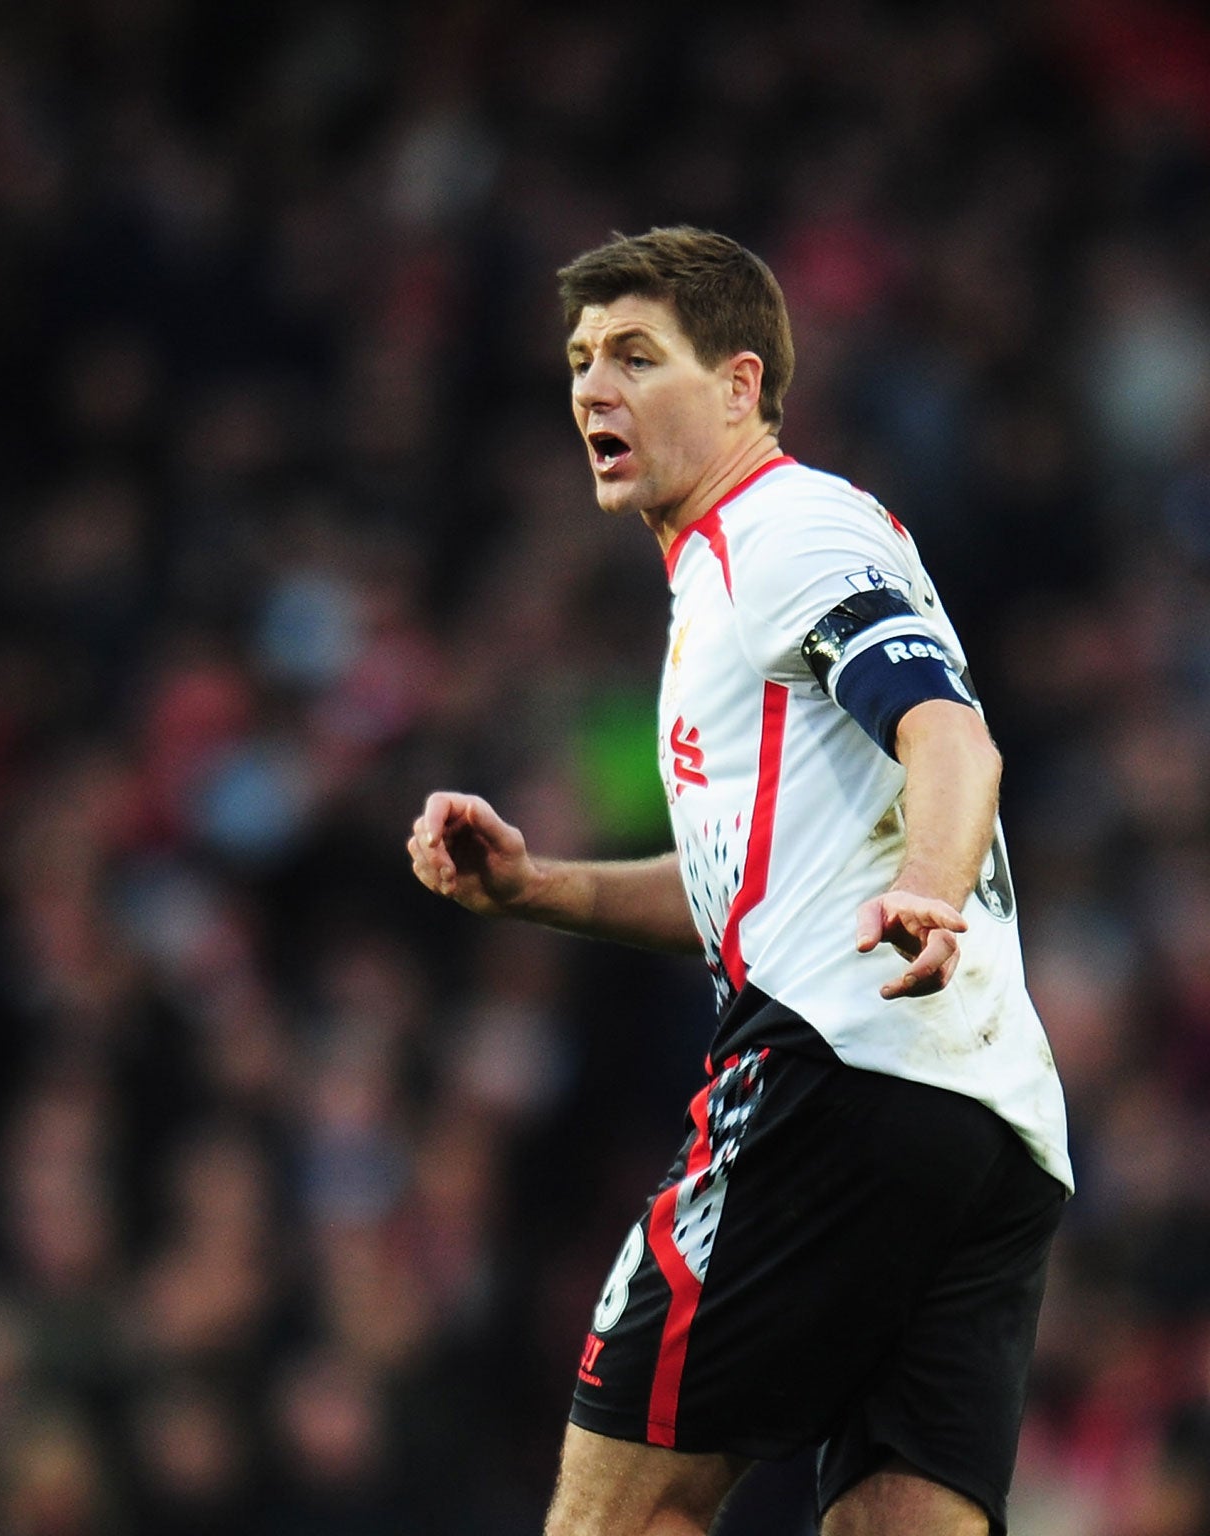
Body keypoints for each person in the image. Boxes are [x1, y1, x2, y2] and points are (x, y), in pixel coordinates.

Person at [407, 228, 1070, 1536]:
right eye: (583, 360)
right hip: (990, 1125)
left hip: (838, 1072)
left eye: (638, 357)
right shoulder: (726, 578)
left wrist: (930, 885)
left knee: (620, 1509)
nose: (594, 388)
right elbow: (750, 894)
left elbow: (948, 732)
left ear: (740, 386)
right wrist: (539, 888)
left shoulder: (782, 528)